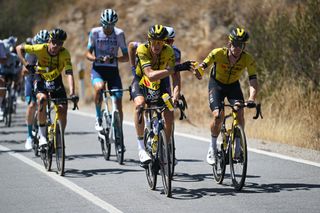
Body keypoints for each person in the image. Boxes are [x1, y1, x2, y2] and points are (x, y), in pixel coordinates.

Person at [195, 27, 258, 165]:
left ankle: (238, 143)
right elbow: (203, 65)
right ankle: (212, 147)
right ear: (229, 43)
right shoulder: (218, 53)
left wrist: (252, 98)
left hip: (233, 86)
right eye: (235, 43)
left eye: (240, 45)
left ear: (244, 46)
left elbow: (253, 80)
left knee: (239, 110)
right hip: (216, 85)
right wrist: (199, 72)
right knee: (218, 115)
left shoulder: (247, 59)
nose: (237, 47)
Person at [131, 24, 193, 163]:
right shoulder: (142, 49)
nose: (157, 45)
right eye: (154, 41)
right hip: (142, 81)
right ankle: (141, 148)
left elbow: (175, 77)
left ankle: (166, 147)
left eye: (160, 42)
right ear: (149, 40)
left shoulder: (169, 51)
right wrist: (132, 67)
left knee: (169, 113)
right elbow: (150, 75)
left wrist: (176, 95)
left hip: (161, 82)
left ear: (165, 42)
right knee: (140, 105)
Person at [16, 28, 77, 148]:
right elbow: (19, 48)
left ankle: (59, 136)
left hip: (55, 80)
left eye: (59, 43)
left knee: (63, 109)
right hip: (41, 79)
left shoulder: (65, 54)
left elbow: (69, 73)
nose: (55, 45)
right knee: (42, 99)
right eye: (53, 42)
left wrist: (72, 92)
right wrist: (26, 64)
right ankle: (42, 135)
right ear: (49, 41)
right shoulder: (40, 48)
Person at [86, 8, 129, 131]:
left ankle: (119, 132)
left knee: (118, 101)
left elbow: (126, 57)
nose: (108, 28)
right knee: (99, 89)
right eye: (105, 25)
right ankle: (98, 117)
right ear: (101, 22)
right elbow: (87, 54)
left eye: (111, 26)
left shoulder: (119, 34)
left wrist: (115, 58)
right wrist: (96, 59)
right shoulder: (94, 33)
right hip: (98, 70)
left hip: (112, 71)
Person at [23, 30, 49, 150]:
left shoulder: (51, 52)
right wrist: (32, 69)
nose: (43, 47)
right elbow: (24, 71)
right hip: (31, 80)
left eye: (45, 44)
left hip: (44, 80)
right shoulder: (31, 53)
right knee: (32, 105)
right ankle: (29, 136)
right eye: (40, 44)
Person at [0, 36, 20, 121]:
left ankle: (13, 96)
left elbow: (19, 68)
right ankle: (2, 103)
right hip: (3, 73)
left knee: (14, 83)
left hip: (12, 73)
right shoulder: (2, 58)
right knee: (3, 83)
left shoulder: (14, 56)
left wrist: (18, 80)